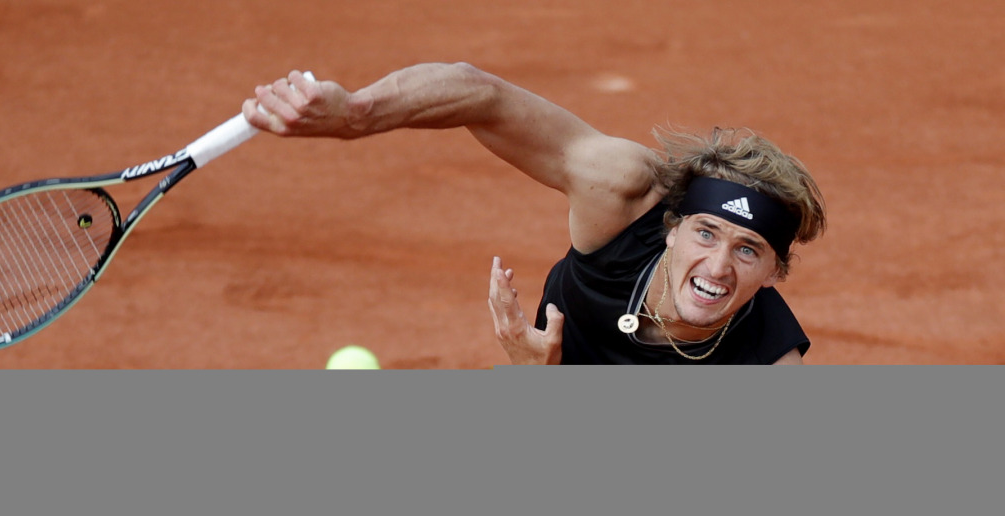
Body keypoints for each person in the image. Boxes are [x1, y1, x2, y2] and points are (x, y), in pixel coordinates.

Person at [242, 63, 826, 364]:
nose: (718, 266)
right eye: (706, 232)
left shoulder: (766, 362)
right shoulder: (624, 196)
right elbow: (482, 95)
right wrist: (357, 114)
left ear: (774, 273)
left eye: (748, 249)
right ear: (672, 229)